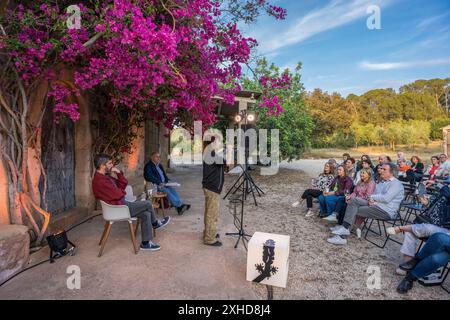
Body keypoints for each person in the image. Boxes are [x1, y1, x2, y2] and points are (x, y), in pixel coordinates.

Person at [92, 154, 170, 251]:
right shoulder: (100, 180)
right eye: (110, 163)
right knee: (148, 203)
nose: (112, 165)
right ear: (103, 165)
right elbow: (118, 194)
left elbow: (123, 184)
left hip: (121, 204)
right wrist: (121, 192)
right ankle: (155, 223)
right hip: (118, 209)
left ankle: (145, 243)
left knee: (146, 214)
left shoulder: (105, 176)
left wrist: (119, 173)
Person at [327, 162, 404, 245]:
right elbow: (373, 195)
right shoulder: (382, 182)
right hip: (375, 205)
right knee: (353, 200)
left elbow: (386, 198)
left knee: (354, 209)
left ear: (391, 172)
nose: (381, 170)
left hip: (385, 210)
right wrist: (372, 198)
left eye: (384, 169)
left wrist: (373, 198)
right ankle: (344, 229)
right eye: (381, 168)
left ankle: (343, 234)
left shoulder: (396, 184)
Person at [329, 168, 376, 238]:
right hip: (356, 199)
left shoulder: (371, 183)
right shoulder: (360, 182)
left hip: (365, 201)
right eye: (361, 173)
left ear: (369, 175)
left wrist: (353, 199)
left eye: (363, 173)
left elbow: (368, 196)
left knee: (351, 202)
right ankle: (339, 222)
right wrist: (349, 197)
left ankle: (345, 229)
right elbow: (354, 192)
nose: (361, 174)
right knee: (343, 200)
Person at [202, 136, 226, 247]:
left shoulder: (209, 152)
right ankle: (209, 239)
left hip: (209, 186)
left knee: (209, 212)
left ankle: (208, 233)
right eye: (217, 142)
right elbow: (225, 162)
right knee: (212, 214)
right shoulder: (211, 153)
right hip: (212, 187)